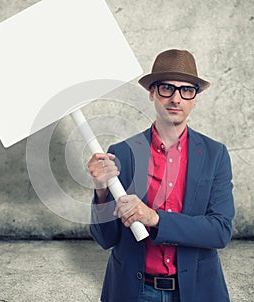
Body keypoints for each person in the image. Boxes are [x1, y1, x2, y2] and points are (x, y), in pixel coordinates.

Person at [87, 49, 235, 302]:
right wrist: (101, 190)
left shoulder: (215, 154)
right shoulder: (121, 153)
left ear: (194, 98)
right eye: (167, 88)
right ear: (152, 93)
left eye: (186, 90)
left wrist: (155, 218)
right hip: (134, 291)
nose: (176, 98)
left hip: (197, 291)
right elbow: (105, 238)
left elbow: (220, 231)